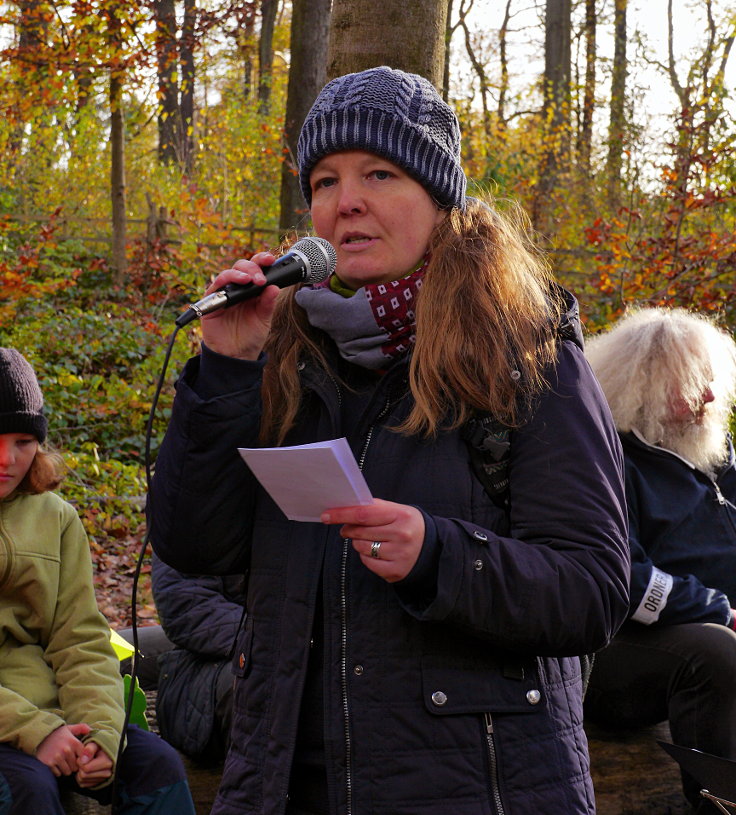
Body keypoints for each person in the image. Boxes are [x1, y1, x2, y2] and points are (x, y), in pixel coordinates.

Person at [148, 66, 630, 815]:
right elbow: (190, 542)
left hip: (472, 789)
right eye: (325, 180)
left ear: (440, 201)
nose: (348, 202)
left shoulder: (527, 357)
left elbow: (595, 587)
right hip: (283, 784)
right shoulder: (287, 353)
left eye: (379, 172)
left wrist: (440, 556)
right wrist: (227, 368)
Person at [0, 348, 196, 815]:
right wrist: (36, 733)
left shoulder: (57, 518)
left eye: (23, 441)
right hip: (17, 729)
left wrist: (102, 734)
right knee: (28, 788)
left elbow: (81, 641)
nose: (7, 459)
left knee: (157, 766)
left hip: (58, 717)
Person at [583, 308, 736, 814]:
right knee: (716, 651)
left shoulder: (716, 457)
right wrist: (722, 612)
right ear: (639, 385)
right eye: (693, 385)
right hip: (622, 652)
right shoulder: (606, 461)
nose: (710, 398)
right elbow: (620, 576)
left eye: (711, 381)